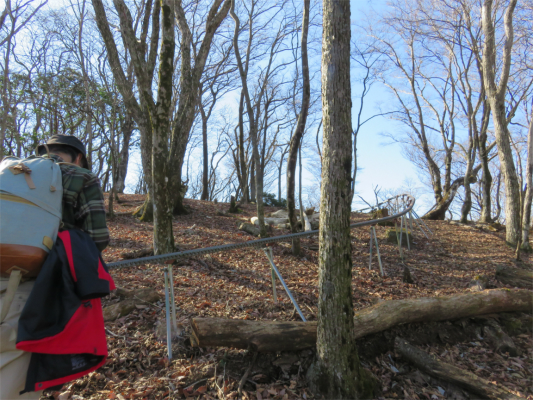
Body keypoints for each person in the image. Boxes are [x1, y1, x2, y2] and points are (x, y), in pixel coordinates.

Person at [0, 134, 110, 399]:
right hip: (29, 291)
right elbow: (97, 239)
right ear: (79, 156)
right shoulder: (78, 175)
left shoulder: (9, 171)